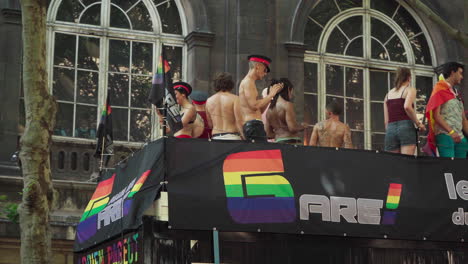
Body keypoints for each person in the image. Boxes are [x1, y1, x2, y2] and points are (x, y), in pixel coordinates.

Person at [426, 62, 467, 158]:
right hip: (445, 135)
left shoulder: (456, 94)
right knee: (449, 169)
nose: (462, 77)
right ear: (453, 72)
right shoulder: (439, 88)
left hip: (460, 137)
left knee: (460, 170)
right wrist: (451, 132)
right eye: (460, 73)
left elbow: (464, 119)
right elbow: (436, 115)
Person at [238, 55, 283, 142]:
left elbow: (259, 110)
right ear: (257, 67)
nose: (265, 73)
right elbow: (254, 106)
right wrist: (271, 95)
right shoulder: (248, 82)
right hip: (253, 126)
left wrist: (270, 96)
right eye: (265, 70)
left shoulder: (250, 82)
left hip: (255, 125)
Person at [383, 67, 426, 155]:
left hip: (390, 129)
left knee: (393, 163)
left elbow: (386, 121)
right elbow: (407, 106)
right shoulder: (410, 89)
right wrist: (418, 123)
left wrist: (390, 130)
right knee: (406, 162)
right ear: (409, 77)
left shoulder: (388, 95)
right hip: (406, 126)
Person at [265, 78, 307, 144]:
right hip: (291, 143)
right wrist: (303, 126)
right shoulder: (287, 105)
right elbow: (292, 128)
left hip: (278, 142)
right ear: (288, 89)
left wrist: (279, 133)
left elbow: (268, 134)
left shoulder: (269, 110)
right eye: (292, 91)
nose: (292, 95)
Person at [206, 72, 243, 140]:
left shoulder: (209, 101)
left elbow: (210, 124)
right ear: (231, 84)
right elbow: (239, 121)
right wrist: (244, 137)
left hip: (216, 137)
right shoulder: (235, 99)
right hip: (232, 136)